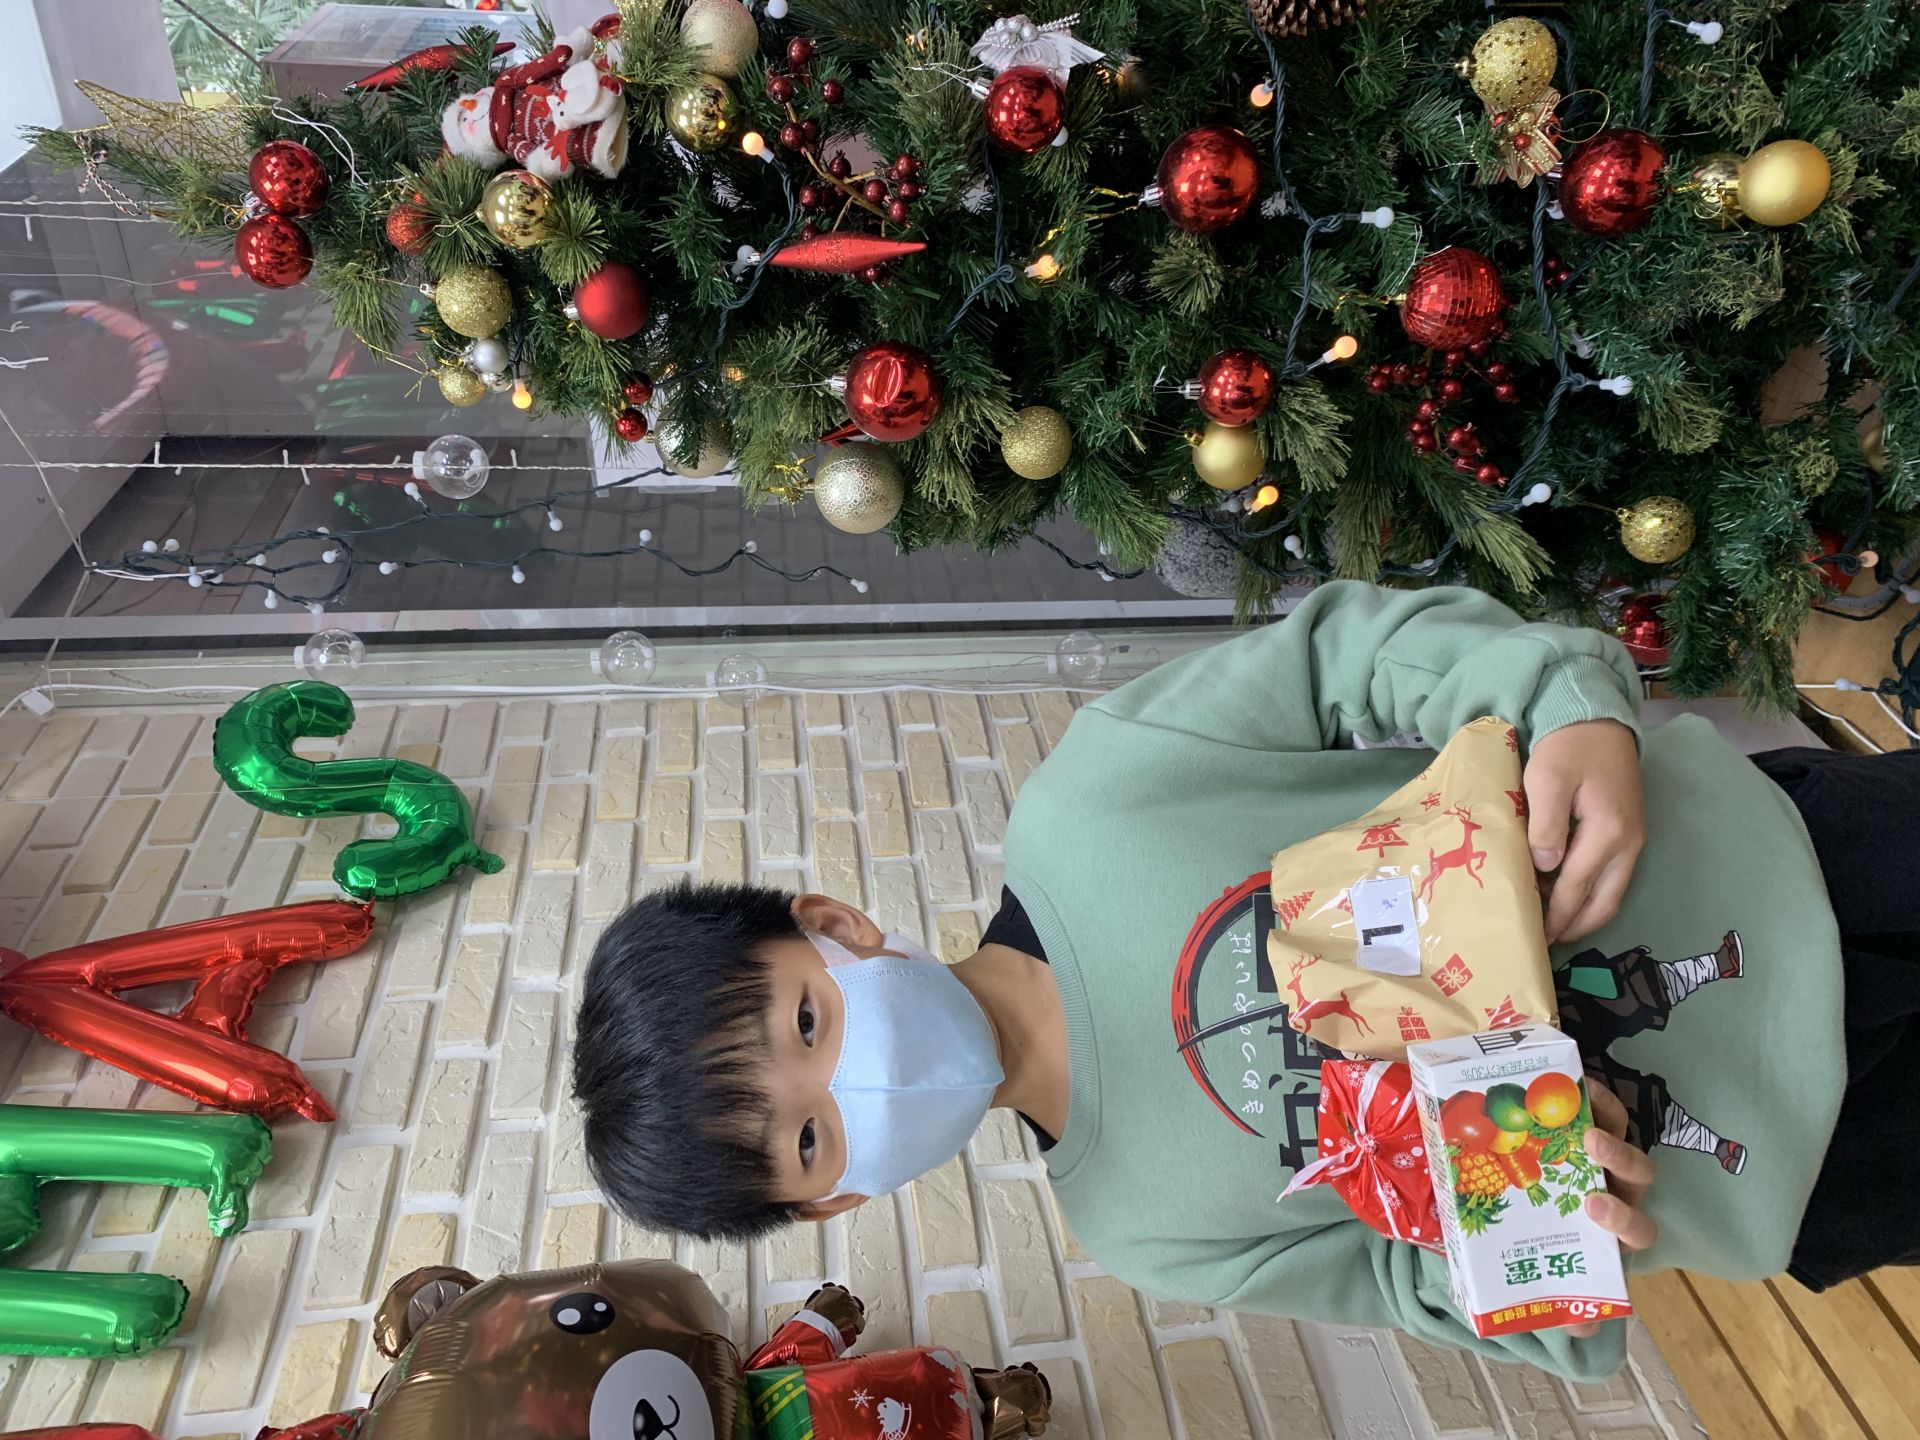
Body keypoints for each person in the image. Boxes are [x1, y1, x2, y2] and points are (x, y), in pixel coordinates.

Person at [574, 582, 1905, 1384]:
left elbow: (1354, 651)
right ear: (839, 1202)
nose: (862, 1083)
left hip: (1800, 861)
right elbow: (1434, 1290)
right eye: (813, 1139)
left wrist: (1569, 708)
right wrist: (1543, 1211)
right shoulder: (1141, 1227)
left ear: (832, 925)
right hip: (1820, 1170)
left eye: (809, 1022)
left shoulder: (1095, 796)